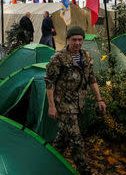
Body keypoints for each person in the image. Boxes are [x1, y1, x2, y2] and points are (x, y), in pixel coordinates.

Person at [45, 25, 106, 175]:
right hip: (64, 106)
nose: (77, 43)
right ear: (67, 40)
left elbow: (92, 79)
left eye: (80, 39)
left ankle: (47, 161)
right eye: (74, 40)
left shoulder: (86, 56)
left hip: (79, 104)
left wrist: (100, 99)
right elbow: (49, 83)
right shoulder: (58, 58)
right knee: (76, 140)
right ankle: (84, 171)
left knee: (63, 138)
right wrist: (51, 106)